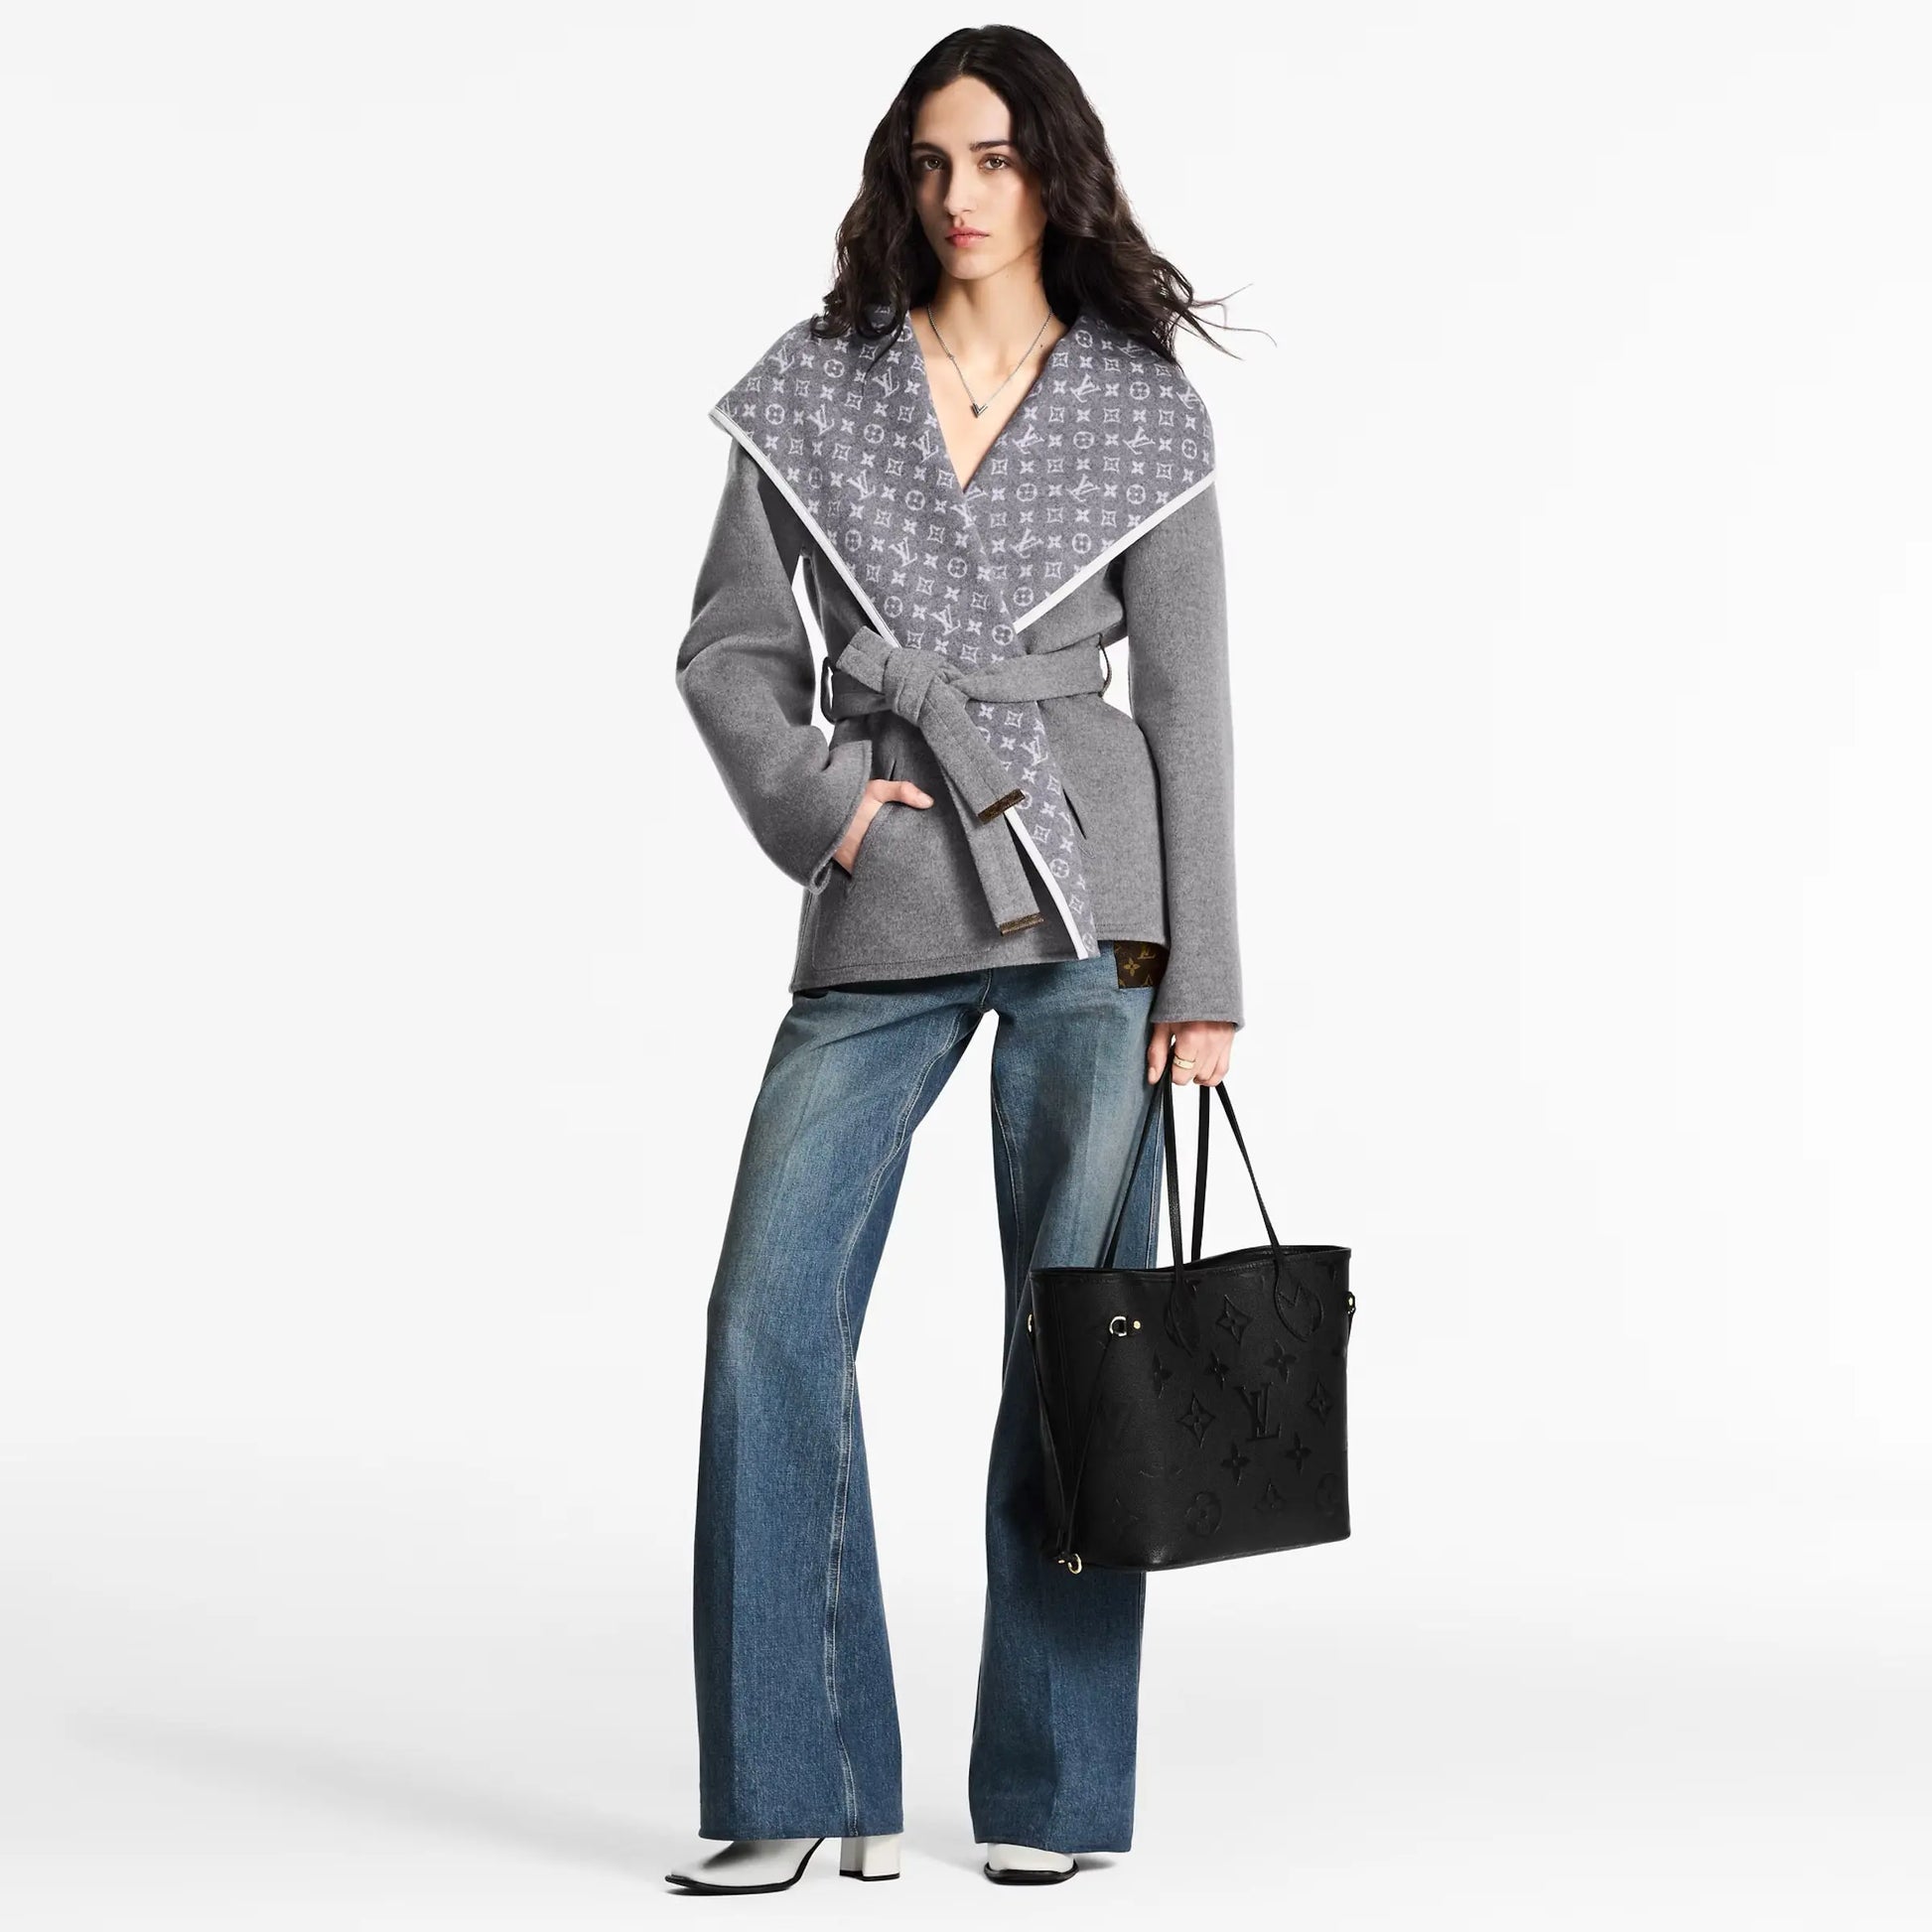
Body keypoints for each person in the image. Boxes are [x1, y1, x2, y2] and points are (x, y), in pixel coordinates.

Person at [665, 24, 1246, 1894]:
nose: (958, 194)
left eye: (993, 158)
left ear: (1052, 171)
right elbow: (732, 643)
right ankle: (795, 1769)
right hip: (894, 879)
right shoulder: (820, 384)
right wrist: (826, 807)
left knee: (1075, 1340)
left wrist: (1205, 975)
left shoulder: (1140, 408)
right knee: (767, 1311)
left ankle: (1051, 1793)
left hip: (1096, 903)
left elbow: (1189, 702)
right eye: (929, 161)